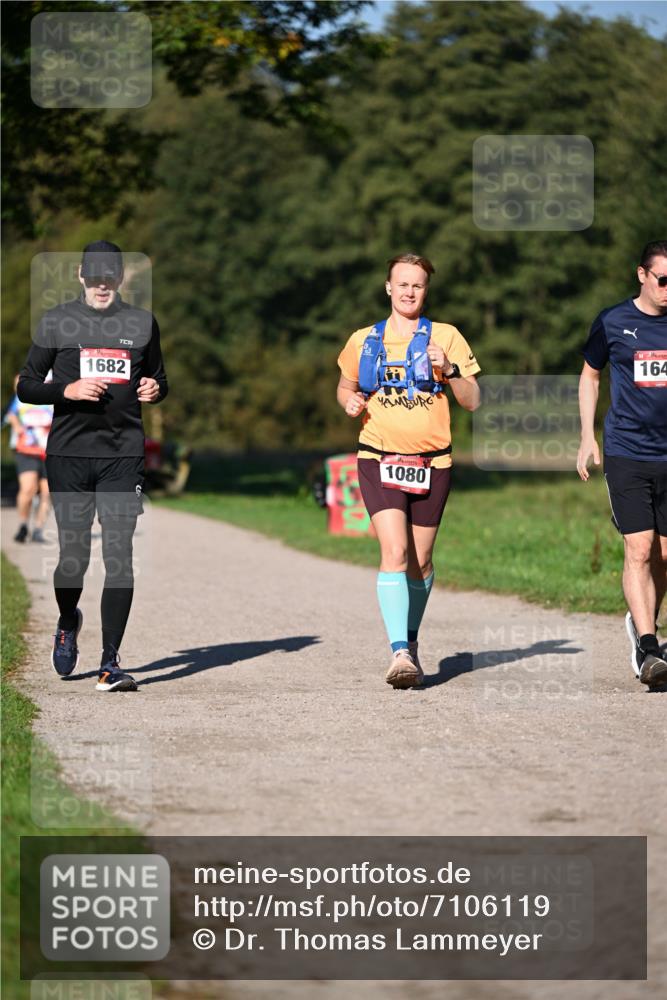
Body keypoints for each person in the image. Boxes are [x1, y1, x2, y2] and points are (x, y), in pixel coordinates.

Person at [17, 240, 168, 692]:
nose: (102, 286)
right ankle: (68, 620)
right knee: (74, 558)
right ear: (81, 277)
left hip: (122, 455)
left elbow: (159, 378)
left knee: (119, 556)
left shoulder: (141, 323)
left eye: (110, 278)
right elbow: (26, 385)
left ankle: (110, 662)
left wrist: (154, 389)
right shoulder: (57, 321)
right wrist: (67, 391)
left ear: (120, 279)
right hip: (69, 455)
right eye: (95, 277)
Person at [337, 253, 480, 689]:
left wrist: (449, 369)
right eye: (402, 284)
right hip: (378, 458)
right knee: (395, 553)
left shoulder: (447, 336)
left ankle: (411, 643)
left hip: (433, 462)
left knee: (420, 561)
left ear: (426, 290)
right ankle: (399, 652)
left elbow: (472, 400)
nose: (409, 292)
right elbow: (346, 384)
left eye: (417, 285)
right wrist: (348, 401)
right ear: (388, 287)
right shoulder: (364, 339)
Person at [577, 239, 667, 688]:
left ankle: (642, 619)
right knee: (640, 548)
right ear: (642, 275)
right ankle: (649, 646)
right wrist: (586, 436)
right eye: (663, 279)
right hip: (627, 451)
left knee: (665, 555)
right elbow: (591, 376)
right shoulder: (613, 321)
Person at [4, 374, 53, 543]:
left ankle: (38, 530)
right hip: (26, 449)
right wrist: (16, 424)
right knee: (28, 488)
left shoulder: (55, 392)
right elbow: (10, 413)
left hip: (50, 451)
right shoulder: (22, 393)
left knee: (47, 493)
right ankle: (23, 525)